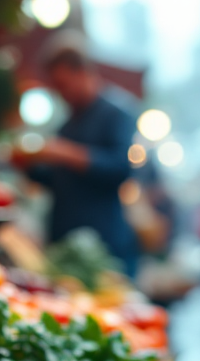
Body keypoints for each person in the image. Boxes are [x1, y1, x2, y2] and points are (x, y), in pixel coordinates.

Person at [18, 32, 140, 276]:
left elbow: (120, 168)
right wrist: (27, 166)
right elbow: (58, 180)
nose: (61, 93)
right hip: (63, 243)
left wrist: (64, 152)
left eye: (63, 84)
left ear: (83, 72)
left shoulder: (117, 113)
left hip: (102, 247)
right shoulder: (68, 124)